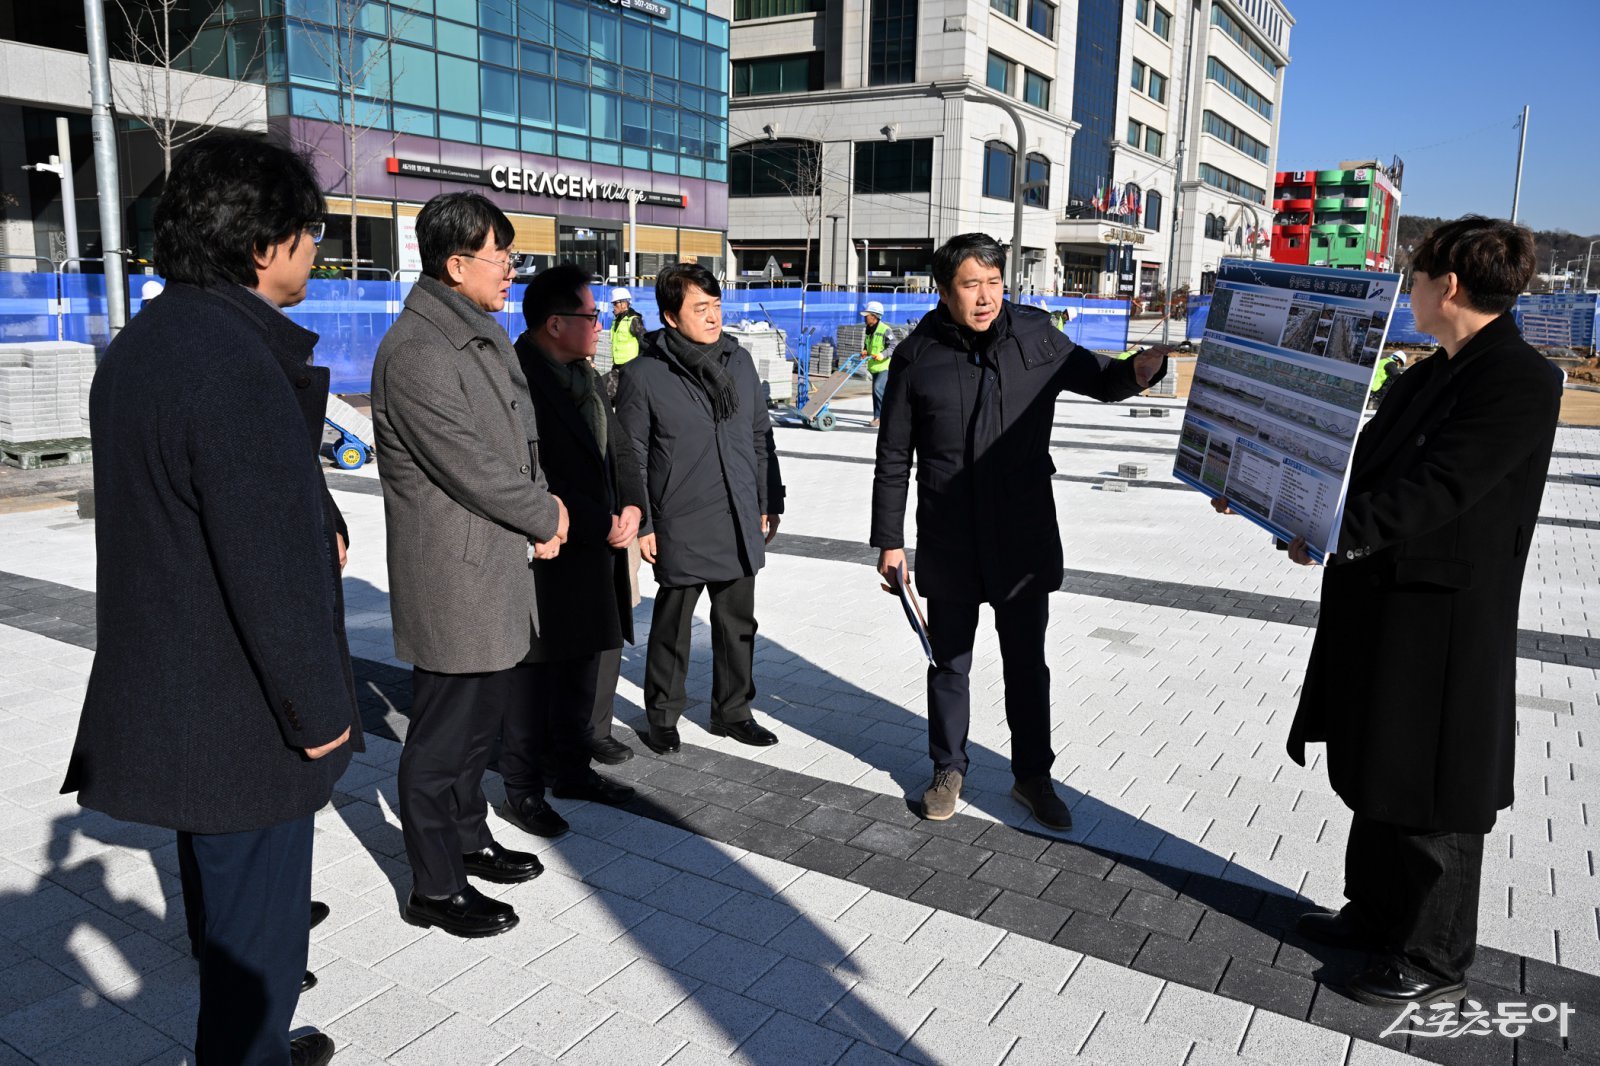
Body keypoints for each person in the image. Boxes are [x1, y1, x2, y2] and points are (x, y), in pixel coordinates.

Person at [62, 131, 360, 1066]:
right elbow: (266, 568)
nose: (316, 251)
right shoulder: (233, 361)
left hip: (184, 685)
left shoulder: (149, 341)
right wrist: (320, 713)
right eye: (311, 232)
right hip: (244, 710)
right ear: (264, 241)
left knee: (226, 909)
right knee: (257, 944)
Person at [1238, 217, 1562, 1006]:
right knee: (1382, 760)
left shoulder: (1518, 378)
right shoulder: (1428, 374)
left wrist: (1334, 531)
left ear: (1448, 285)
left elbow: (1440, 488)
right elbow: (1362, 470)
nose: (1407, 290)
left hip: (1443, 618)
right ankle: (1375, 914)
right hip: (1384, 600)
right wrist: (1277, 496)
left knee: (1435, 783)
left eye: (1414, 277)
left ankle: (1432, 954)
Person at [871, 233, 1171, 827]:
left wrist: (1139, 372)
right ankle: (947, 768)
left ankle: (1033, 777)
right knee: (949, 663)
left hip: (1021, 533)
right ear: (945, 290)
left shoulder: (1037, 336)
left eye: (993, 282)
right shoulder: (916, 356)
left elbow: (1102, 379)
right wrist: (889, 541)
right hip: (950, 534)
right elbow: (893, 456)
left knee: (1027, 663)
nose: (985, 297)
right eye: (970, 285)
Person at [372, 192, 569, 939]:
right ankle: (435, 884)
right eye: (500, 255)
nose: (510, 268)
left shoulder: (475, 333)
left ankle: (467, 837)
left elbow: (515, 446)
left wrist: (540, 511)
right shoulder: (419, 350)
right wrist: (545, 514)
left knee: (479, 728)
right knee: (440, 740)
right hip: (453, 574)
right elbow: (468, 464)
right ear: (456, 265)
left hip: (491, 563)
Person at [500, 264, 647, 837]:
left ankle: (573, 769)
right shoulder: (516, 379)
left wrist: (633, 506)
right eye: (590, 316)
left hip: (597, 546)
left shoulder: (586, 378)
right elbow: (531, 475)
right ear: (555, 324)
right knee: (535, 681)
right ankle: (523, 788)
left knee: (583, 668)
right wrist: (597, 520)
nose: (600, 325)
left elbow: (621, 452)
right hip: (549, 550)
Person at [615, 263, 786, 754]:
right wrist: (644, 522)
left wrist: (768, 498)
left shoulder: (739, 361)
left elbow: (760, 434)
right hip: (680, 518)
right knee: (672, 627)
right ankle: (662, 715)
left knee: (737, 625)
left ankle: (733, 712)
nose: (713, 317)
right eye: (699, 308)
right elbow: (631, 455)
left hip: (737, 513)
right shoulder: (644, 374)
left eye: (715, 306)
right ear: (671, 317)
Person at [861, 300, 893, 426]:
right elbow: (867, 344)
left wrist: (882, 355)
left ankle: (882, 418)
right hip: (874, 366)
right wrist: (865, 351)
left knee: (878, 388)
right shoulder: (869, 329)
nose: (865, 318)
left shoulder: (885, 330)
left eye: (867, 315)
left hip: (884, 366)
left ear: (874, 316)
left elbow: (894, 346)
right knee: (876, 393)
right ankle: (877, 418)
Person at [608, 286, 646, 381]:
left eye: (615, 303)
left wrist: (641, 364)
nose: (613, 306)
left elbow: (644, 342)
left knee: (628, 389)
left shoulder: (633, 320)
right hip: (617, 365)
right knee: (610, 389)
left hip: (630, 366)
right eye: (613, 304)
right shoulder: (616, 321)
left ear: (624, 304)